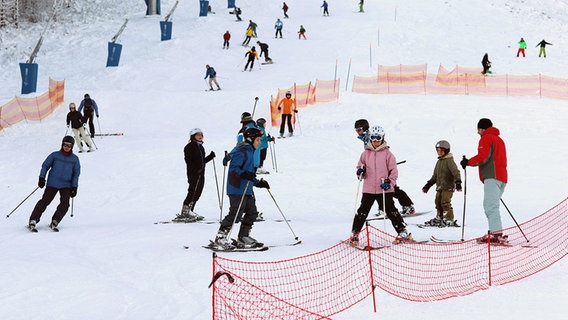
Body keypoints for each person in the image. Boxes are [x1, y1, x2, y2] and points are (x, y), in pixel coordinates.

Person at [350, 125, 412, 245]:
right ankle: (355, 234)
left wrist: (390, 182)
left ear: (382, 138)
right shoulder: (365, 154)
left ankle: (403, 232)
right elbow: (360, 167)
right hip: (368, 188)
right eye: (373, 138)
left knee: (390, 210)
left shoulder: (388, 154)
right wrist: (360, 172)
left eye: (378, 138)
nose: (376, 141)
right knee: (362, 211)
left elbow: (394, 172)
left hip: (384, 188)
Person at [213, 127, 270, 249]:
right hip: (237, 188)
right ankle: (220, 237)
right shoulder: (242, 151)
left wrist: (258, 183)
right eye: (258, 140)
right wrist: (245, 174)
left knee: (252, 212)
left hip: (247, 189)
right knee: (236, 214)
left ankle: (243, 236)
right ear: (251, 139)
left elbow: (249, 174)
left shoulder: (250, 152)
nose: (259, 142)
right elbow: (234, 169)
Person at [354, 119, 416, 216]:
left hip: (382, 169)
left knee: (392, 189)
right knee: (382, 189)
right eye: (356, 130)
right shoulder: (365, 137)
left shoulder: (370, 136)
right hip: (375, 169)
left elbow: (378, 150)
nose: (357, 132)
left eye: (359, 129)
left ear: (365, 128)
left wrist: (382, 163)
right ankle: (385, 208)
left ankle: (407, 205)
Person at [460, 118, 508, 243]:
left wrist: (468, 162)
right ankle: (496, 233)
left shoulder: (486, 138)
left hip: (492, 177)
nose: (478, 132)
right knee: (493, 206)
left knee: (490, 206)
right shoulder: (499, 140)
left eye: (478, 129)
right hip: (502, 178)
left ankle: (496, 234)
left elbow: (483, 157)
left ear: (482, 128)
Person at [27, 136, 81, 232]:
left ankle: (55, 220)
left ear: (72, 146)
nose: (66, 147)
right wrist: (41, 178)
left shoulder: (75, 159)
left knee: (65, 204)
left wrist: (74, 187)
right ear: (62, 144)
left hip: (66, 185)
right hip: (53, 183)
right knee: (45, 201)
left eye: (69, 145)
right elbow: (45, 165)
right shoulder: (55, 155)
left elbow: (76, 174)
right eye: (65, 144)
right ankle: (33, 219)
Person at [174, 128, 215, 222]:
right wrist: (196, 170)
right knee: (192, 191)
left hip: (201, 173)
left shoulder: (200, 147)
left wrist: (210, 157)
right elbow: (188, 161)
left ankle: (190, 210)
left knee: (198, 192)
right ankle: (185, 211)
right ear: (193, 136)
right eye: (198, 135)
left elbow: (202, 161)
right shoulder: (190, 146)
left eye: (201, 135)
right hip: (194, 173)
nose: (200, 136)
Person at [421, 140, 462, 227]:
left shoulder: (449, 161)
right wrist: (428, 185)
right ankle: (440, 217)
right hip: (440, 187)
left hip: (448, 187)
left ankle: (449, 219)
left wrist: (458, 182)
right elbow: (435, 176)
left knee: (445, 202)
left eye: (441, 150)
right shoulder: (439, 162)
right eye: (437, 150)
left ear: (446, 150)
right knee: (437, 202)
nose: (439, 152)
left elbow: (456, 172)